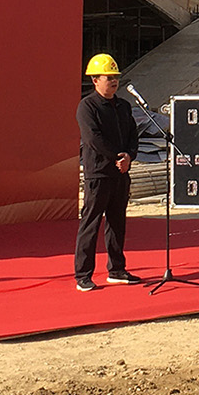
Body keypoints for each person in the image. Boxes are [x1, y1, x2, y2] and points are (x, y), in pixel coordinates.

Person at [75, 54, 143, 289]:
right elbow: (93, 139)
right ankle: (83, 275)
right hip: (99, 174)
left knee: (117, 222)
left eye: (116, 77)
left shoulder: (123, 106)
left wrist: (129, 156)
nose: (114, 81)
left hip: (120, 173)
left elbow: (133, 134)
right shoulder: (87, 106)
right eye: (109, 77)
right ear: (95, 80)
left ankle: (117, 269)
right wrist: (116, 157)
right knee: (91, 223)